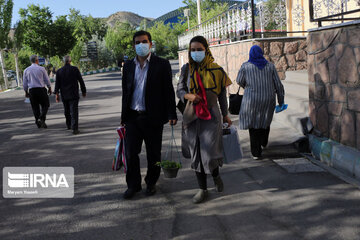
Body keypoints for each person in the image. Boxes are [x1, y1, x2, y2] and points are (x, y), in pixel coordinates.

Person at [121, 30, 177, 199]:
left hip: (153, 116)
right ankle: (133, 185)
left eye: (144, 42)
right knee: (131, 153)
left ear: (151, 44)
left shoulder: (162, 64)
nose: (141, 45)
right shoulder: (128, 66)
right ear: (133, 46)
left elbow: (168, 90)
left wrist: (171, 113)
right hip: (132, 116)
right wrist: (124, 117)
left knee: (153, 154)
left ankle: (151, 182)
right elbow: (126, 92)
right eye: (137, 43)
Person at [176, 35, 232, 204]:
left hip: (211, 116)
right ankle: (202, 189)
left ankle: (215, 175)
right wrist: (188, 95)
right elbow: (179, 90)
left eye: (199, 49)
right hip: (192, 115)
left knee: (210, 151)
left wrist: (226, 114)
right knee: (196, 153)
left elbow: (222, 94)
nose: (196, 53)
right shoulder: (187, 69)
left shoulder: (217, 70)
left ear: (206, 50)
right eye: (192, 50)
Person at [236, 45, 285, 160]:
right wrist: (281, 101)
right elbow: (278, 85)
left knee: (253, 126)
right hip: (268, 99)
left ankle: (256, 152)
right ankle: (263, 141)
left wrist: (248, 87)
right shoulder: (270, 66)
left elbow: (239, 81)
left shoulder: (245, 66)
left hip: (251, 101)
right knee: (265, 120)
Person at [54, 55, 86, 135]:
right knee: (74, 111)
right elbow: (81, 81)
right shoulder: (74, 69)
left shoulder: (59, 71)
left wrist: (57, 94)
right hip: (74, 94)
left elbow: (57, 84)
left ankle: (69, 125)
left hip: (64, 94)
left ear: (63, 62)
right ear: (70, 61)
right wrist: (83, 91)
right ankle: (74, 128)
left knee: (66, 110)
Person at [23, 55, 52, 128]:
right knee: (46, 105)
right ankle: (42, 118)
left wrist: (26, 92)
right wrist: (49, 87)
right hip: (41, 90)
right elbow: (46, 80)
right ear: (37, 60)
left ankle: (39, 122)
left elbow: (25, 83)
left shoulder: (26, 70)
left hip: (32, 91)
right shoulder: (42, 69)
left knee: (35, 107)